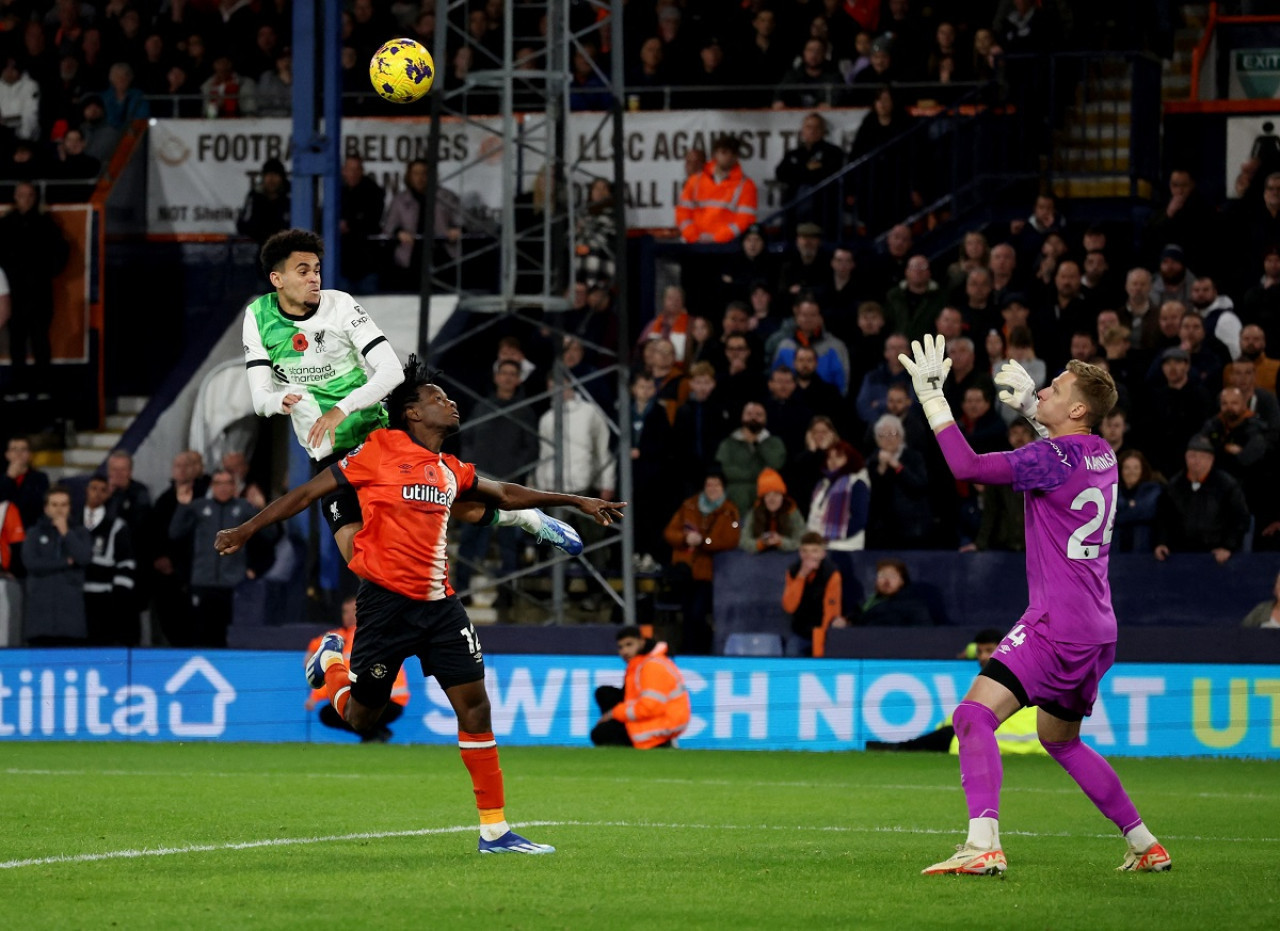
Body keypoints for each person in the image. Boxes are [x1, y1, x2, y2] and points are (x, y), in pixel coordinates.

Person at [216, 356, 626, 854]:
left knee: (476, 709)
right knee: (363, 719)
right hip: (385, 606)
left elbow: (504, 491)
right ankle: (331, 664)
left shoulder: (449, 469)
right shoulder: (378, 450)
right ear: (411, 412)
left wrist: (574, 501)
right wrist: (245, 529)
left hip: (439, 606)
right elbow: (305, 493)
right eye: (437, 398)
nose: (450, 403)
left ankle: (495, 831)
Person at [899, 334, 1171, 875]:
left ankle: (983, 846)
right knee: (1059, 740)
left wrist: (933, 399)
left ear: (1075, 408)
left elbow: (968, 468)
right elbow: (1067, 451)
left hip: (1055, 625)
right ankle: (1145, 844)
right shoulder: (1104, 454)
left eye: (1054, 388)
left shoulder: (1052, 455)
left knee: (972, 716)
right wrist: (1032, 406)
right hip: (1099, 629)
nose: (1041, 388)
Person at [242, 230, 579, 579]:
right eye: (303, 270)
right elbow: (260, 399)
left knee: (450, 502)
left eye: (316, 269)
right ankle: (350, 634)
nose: (314, 277)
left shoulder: (339, 305)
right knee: (358, 559)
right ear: (276, 278)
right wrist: (280, 399)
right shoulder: (258, 317)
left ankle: (529, 519)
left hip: (379, 433)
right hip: (329, 451)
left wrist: (341, 408)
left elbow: (391, 372)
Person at [867, 628, 1045, 753]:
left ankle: (899, 748)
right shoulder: (1011, 663)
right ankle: (900, 748)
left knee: (950, 733)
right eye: (979, 652)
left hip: (1012, 738)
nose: (982, 657)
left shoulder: (1008, 677)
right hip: (1023, 738)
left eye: (989, 651)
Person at [306, 596, 410, 742]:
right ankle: (375, 735)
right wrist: (313, 648)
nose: (348, 616)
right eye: (345, 612)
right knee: (335, 712)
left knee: (329, 714)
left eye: (353, 611)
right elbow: (329, 638)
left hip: (384, 700)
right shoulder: (363, 632)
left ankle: (375, 734)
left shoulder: (359, 636)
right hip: (393, 701)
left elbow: (344, 673)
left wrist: (315, 696)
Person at [0, 182, 70, 401]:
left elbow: (61, 252)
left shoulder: (46, 224)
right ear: (15, 197)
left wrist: (47, 272)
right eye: (22, 195)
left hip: (39, 293)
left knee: (40, 340)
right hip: (14, 293)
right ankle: (18, 384)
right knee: (17, 341)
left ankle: (43, 385)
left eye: (30, 195)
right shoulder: (5, 225)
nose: (26, 199)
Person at [663, 468, 740, 655]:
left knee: (697, 614)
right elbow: (669, 533)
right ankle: (687, 651)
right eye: (709, 484)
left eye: (717, 485)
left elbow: (730, 539)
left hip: (711, 574)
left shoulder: (730, 511)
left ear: (724, 488)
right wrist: (685, 538)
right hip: (685, 571)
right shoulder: (689, 506)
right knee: (686, 614)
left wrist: (704, 541)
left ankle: (701, 650)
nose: (712, 488)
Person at [1153, 436, 1251, 565]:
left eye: (1202, 456)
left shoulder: (1227, 485)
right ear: (1186, 458)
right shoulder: (1174, 486)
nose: (1196, 461)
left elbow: (1240, 518)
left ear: (1211, 460)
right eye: (1192, 456)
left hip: (1216, 554)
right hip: (1179, 555)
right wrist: (1161, 542)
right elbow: (1163, 518)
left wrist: (1228, 547)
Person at [591, 625, 690, 748]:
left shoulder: (651, 666)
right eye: (621, 647)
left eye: (629, 645)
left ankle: (662, 742)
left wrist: (613, 713)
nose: (624, 652)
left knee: (600, 734)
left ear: (642, 642)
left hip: (664, 722)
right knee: (604, 693)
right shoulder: (639, 664)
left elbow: (649, 708)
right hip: (652, 714)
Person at [23, 485, 92, 645]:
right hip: (40, 619)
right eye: (54, 505)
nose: (59, 510)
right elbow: (31, 563)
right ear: (46, 508)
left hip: (71, 619)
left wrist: (66, 533)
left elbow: (83, 557)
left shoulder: (80, 533)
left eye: (63, 505)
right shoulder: (34, 533)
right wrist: (65, 562)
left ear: (69, 507)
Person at [81, 474, 137, 646]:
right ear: (86, 491)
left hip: (103, 601)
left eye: (103, 490)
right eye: (93, 488)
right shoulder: (72, 521)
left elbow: (126, 562)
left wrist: (118, 598)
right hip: (75, 598)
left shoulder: (116, 526)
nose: (97, 493)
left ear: (108, 495)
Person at [675, 133, 758, 243]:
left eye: (733, 153)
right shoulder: (695, 181)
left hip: (726, 248)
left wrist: (718, 239)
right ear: (715, 154)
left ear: (736, 156)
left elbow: (744, 220)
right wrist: (693, 236)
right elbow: (682, 213)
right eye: (724, 152)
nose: (728, 157)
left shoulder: (746, 185)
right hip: (694, 246)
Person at [715, 401, 787, 517]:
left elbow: (776, 464)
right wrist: (758, 473)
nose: (754, 418)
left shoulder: (774, 442)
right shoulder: (728, 443)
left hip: (765, 501)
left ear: (765, 418)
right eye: (749, 414)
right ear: (742, 416)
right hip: (736, 500)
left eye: (758, 415)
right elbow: (728, 471)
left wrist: (760, 442)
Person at [781, 531, 847, 657]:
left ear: (823, 554)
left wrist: (824, 637)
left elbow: (832, 609)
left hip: (822, 632)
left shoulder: (832, 574)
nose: (809, 556)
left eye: (814, 551)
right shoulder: (793, 571)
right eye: (804, 551)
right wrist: (802, 576)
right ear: (800, 553)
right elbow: (789, 606)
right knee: (791, 661)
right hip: (800, 632)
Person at [739, 468, 804, 555]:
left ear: (782, 496)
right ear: (763, 498)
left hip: (786, 557)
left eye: (776, 494)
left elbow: (801, 539)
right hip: (759, 559)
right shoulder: (754, 512)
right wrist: (760, 543)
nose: (772, 499)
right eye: (768, 495)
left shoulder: (792, 512)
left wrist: (780, 541)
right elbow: (743, 540)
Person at [857, 557, 932, 626]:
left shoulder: (914, 607)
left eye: (892, 576)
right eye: (882, 576)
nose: (887, 581)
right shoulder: (866, 602)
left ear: (902, 581)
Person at [1114, 450, 1162, 554]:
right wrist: (1133, 507)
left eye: (1136, 468)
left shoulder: (1153, 490)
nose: (1131, 472)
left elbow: (1148, 511)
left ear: (1142, 470)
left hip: (1144, 553)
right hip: (1115, 553)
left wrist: (1122, 509)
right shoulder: (1110, 491)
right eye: (1127, 468)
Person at [236, 157, 291, 246]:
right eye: (268, 175)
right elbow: (243, 225)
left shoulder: (290, 197)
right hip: (260, 247)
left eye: (275, 175)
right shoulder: (255, 196)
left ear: (282, 178)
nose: (271, 179)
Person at [0, 435, 49, 528]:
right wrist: (8, 478)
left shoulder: (40, 478)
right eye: (14, 449)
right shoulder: (2, 480)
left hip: (29, 529)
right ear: (7, 455)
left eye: (23, 449)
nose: (19, 453)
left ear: (30, 455)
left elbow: (32, 508)